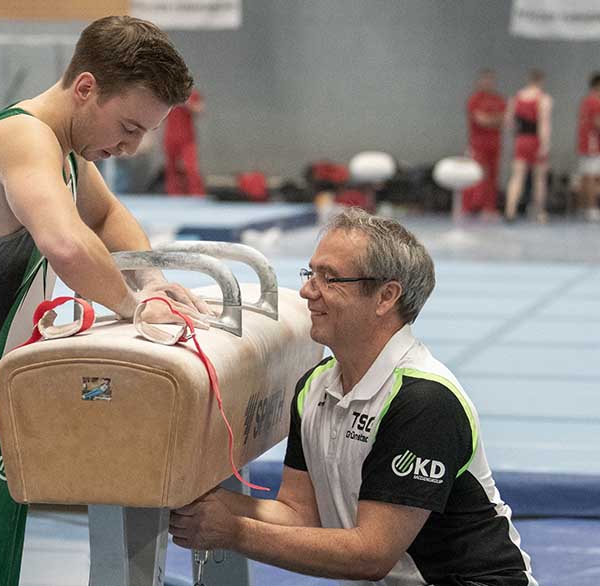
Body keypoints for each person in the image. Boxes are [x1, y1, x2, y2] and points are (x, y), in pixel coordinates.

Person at [0, 15, 210, 586]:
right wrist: (134, 306)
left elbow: (109, 216)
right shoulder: (22, 138)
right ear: (86, 87)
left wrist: (152, 282)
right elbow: (65, 244)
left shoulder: (67, 154)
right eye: (128, 126)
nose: (131, 146)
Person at [170, 208, 537, 586]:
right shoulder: (313, 388)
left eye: (330, 279)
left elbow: (370, 555)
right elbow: (298, 514)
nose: (308, 291)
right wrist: (181, 501)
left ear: (386, 296)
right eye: (310, 273)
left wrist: (234, 531)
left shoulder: (424, 402)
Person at [504, 70, 552, 223]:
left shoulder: (516, 98)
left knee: (517, 177)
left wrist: (516, 137)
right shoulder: (543, 99)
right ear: (541, 82)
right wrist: (544, 145)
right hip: (535, 140)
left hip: (521, 140)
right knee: (539, 179)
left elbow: (508, 122)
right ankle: (540, 212)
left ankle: (509, 210)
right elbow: (544, 124)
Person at [462, 69, 506, 217]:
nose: (488, 84)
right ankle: (471, 207)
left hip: (494, 144)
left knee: (493, 176)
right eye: (485, 80)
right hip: (478, 144)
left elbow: (504, 120)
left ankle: (489, 208)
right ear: (480, 82)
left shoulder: (499, 100)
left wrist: (491, 120)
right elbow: (480, 120)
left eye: (490, 81)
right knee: (476, 175)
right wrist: (494, 120)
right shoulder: (474, 100)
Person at [164, 88, 206, 196]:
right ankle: (174, 194)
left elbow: (200, 109)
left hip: (187, 138)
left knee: (191, 167)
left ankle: (197, 194)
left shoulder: (191, 94)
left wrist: (186, 102)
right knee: (171, 168)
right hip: (170, 136)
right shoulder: (169, 93)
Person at [576, 72, 600, 221]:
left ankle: (584, 208)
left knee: (585, 176)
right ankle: (591, 209)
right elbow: (598, 123)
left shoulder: (585, 101)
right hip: (593, 143)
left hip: (584, 143)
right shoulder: (596, 102)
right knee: (592, 177)